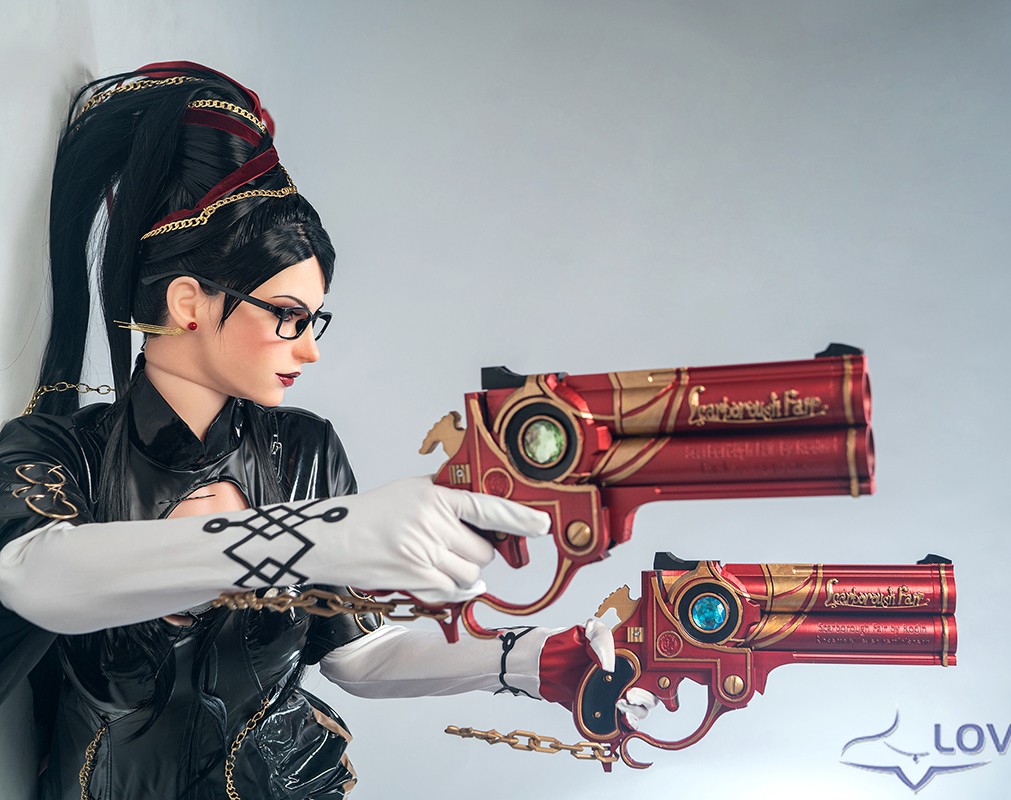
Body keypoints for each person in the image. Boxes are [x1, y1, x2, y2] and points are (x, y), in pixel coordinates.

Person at [0, 62, 649, 800]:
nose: (309, 350)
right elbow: (37, 578)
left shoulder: (304, 451)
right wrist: (309, 535)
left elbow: (359, 657)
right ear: (188, 303)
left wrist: (531, 659)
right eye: (288, 317)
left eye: (316, 321)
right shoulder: (61, 450)